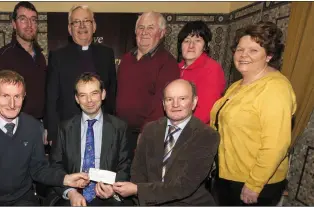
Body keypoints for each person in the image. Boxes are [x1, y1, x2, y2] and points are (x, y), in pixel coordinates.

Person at [0, 70, 90, 206]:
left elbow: (38, 169)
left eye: (17, 96)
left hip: (23, 199)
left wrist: (66, 179)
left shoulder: (32, 127)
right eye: (5, 96)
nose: (12, 104)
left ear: (24, 96)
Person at [209, 21, 297, 206]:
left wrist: (254, 184)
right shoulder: (237, 85)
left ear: (269, 55)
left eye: (253, 50)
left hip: (252, 183)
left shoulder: (275, 88)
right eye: (240, 49)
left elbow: (276, 145)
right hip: (228, 175)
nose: (243, 55)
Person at [112, 79, 219, 205]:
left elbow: (184, 186)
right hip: (148, 202)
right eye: (169, 99)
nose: (175, 104)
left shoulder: (207, 135)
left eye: (182, 98)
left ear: (194, 102)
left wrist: (138, 190)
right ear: (163, 104)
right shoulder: (150, 129)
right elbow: (137, 172)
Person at [49, 72, 132, 206]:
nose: (89, 100)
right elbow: (55, 166)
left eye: (94, 93)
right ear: (77, 99)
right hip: (73, 194)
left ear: (103, 94)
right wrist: (71, 192)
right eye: (83, 95)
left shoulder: (119, 127)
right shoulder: (64, 128)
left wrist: (113, 190)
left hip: (108, 195)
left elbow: (125, 166)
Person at [45, 5, 117, 145]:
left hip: (101, 129)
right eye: (76, 22)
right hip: (68, 130)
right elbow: (51, 97)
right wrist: (53, 132)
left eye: (86, 21)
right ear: (69, 29)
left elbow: (112, 91)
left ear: (94, 26)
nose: (82, 26)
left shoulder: (107, 54)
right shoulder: (58, 57)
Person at [116, 11, 179, 156]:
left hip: (147, 134)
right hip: (121, 132)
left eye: (150, 28)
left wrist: (145, 133)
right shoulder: (126, 59)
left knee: (141, 177)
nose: (144, 32)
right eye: (141, 27)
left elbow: (161, 102)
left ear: (162, 33)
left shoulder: (167, 63)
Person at [0, 2, 50, 145]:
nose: (29, 24)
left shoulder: (40, 56)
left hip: (39, 126)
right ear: (14, 23)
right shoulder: (4, 56)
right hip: (16, 126)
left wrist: (47, 126)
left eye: (33, 20)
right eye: (23, 19)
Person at [177, 20, 225, 124]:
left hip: (196, 132)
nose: (191, 45)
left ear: (205, 46)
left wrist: (180, 131)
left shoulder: (211, 69)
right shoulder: (176, 68)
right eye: (186, 40)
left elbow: (205, 111)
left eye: (197, 40)